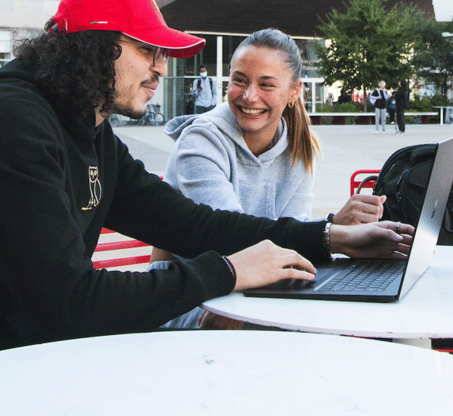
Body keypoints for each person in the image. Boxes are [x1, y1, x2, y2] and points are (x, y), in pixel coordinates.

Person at [0, 0, 412, 394]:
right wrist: (230, 270)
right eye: (146, 49)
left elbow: (190, 222)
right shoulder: (4, 124)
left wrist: (331, 237)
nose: (161, 67)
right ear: (92, 46)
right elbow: (70, 304)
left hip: (8, 351)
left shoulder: (87, 129)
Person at [155, 28, 386, 328]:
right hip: (190, 292)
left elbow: (292, 249)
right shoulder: (200, 142)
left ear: (294, 91)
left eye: (266, 85)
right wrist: (332, 233)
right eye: (239, 80)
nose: (249, 96)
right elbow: (229, 240)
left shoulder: (300, 148)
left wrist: (333, 227)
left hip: (256, 289)